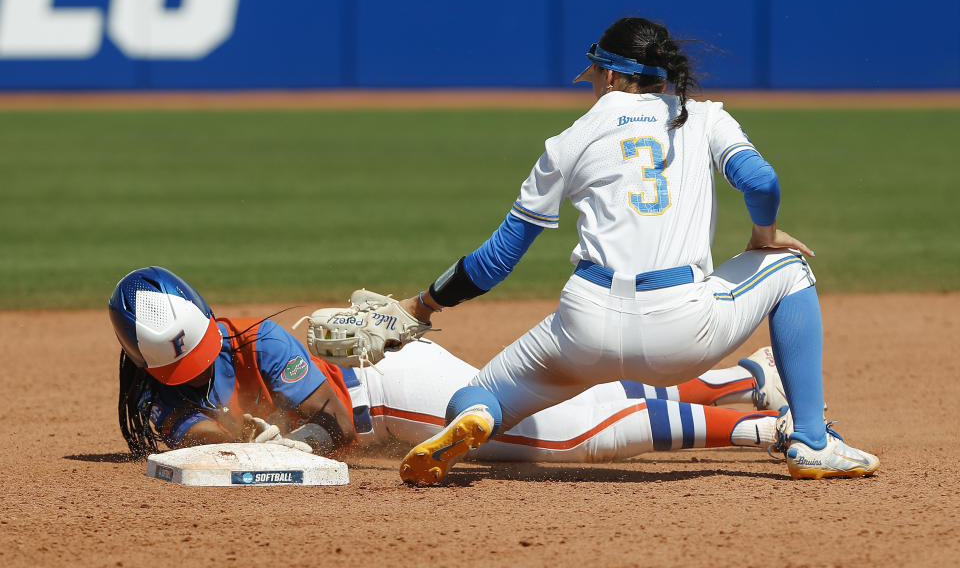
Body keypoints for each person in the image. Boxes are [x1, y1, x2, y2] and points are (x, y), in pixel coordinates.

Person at [395, 17, 879, 482]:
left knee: (475, 393)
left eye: (592, 77)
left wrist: (424, 304)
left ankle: (478, 415)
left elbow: (498, 259)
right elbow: (760, 180)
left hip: (582, 327)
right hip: (681, 332)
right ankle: (812, 444)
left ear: (608, 74)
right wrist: (763, 234)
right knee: (789, 267)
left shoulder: (568, 141)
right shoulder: (704, 118)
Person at [110, 266, 793, 463]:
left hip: (393, 387)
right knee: (569, 412)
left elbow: (340, 428)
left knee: (572, 434)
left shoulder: (260, 342)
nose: (195, 371)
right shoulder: (155, 401)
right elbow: (192, 437)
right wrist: (228, 438)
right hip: (389, 397)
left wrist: (283, 440)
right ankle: (748, 380)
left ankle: (751, 430)